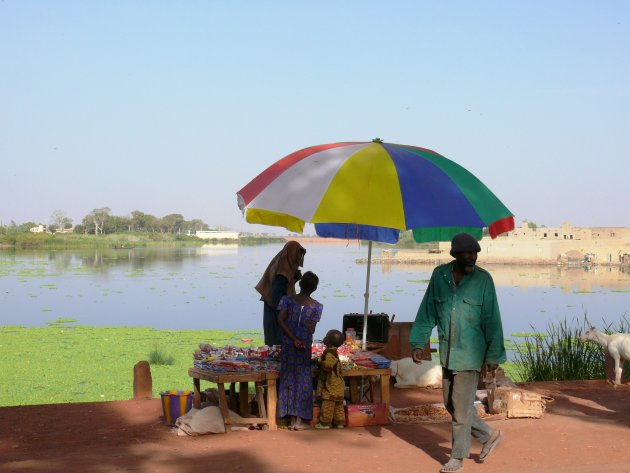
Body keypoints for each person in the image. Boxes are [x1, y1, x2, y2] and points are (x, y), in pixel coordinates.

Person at [409, 233, 506, 473]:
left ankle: (457, 458)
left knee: (461, 409)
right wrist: (418, 343)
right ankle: (489, 434)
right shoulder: (439, 276)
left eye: (475, 253)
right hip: (448, 351)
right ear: (455, 254)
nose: (473, 257)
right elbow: (427, 312)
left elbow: (493, 319)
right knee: (451, 404)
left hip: (471, 354)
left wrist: (493, 358)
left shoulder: (484, 280)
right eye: (467, 253)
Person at [276, 271, 323, 431]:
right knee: (303, 381)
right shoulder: (317, 307)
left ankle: (289, 419)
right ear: (315, 288)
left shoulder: (287, 300)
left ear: (301, 284)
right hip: (303, 347)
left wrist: (292, 338)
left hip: (289, 346)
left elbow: (280, 320)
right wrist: (300, 338)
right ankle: (299, 421)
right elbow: (311, 329)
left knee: (288, 379)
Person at [255, 241, 306, 346]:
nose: (298, 258)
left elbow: (287, 287)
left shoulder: (282, 264)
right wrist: (284, 313)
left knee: (274, 337)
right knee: (276, 338)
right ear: (292, 253)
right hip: (275, 307)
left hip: (275, 306)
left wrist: (294, 279)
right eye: (297, 254)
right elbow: (277, 295)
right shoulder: (283, 272)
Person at [314, 329, 346, 430]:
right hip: (338, 385)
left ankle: (325, 423)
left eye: (327, 336)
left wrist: (319, 361)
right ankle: (339, 423)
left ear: (330, 341)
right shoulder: (333, 351)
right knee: (338, 406)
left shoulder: (330, 353)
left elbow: (328, 366)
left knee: (328, 405)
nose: (325, 337)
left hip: (332, 385)